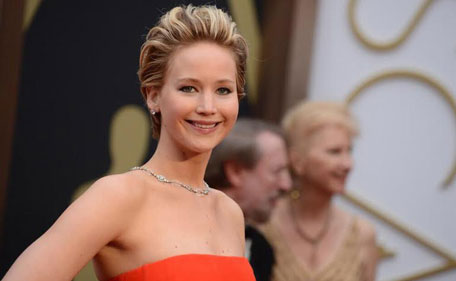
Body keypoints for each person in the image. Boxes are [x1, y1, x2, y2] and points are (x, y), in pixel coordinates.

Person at [3, 5, 255, 281]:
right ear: (153, 96)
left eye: (223, 90)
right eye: (188, 88)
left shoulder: (229, 212)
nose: (208, 106)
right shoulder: (119, 197)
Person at [260, 101, 378, 281]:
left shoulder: (362, 234)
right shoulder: (263, 226)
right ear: (297, 161)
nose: (348, 164)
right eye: (334, 152)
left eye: (349, 151)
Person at [205, 118, 292, 281]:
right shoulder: (176, 233)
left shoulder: (262, 250)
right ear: (236, 171)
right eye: (277, 171)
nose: (286, 185)